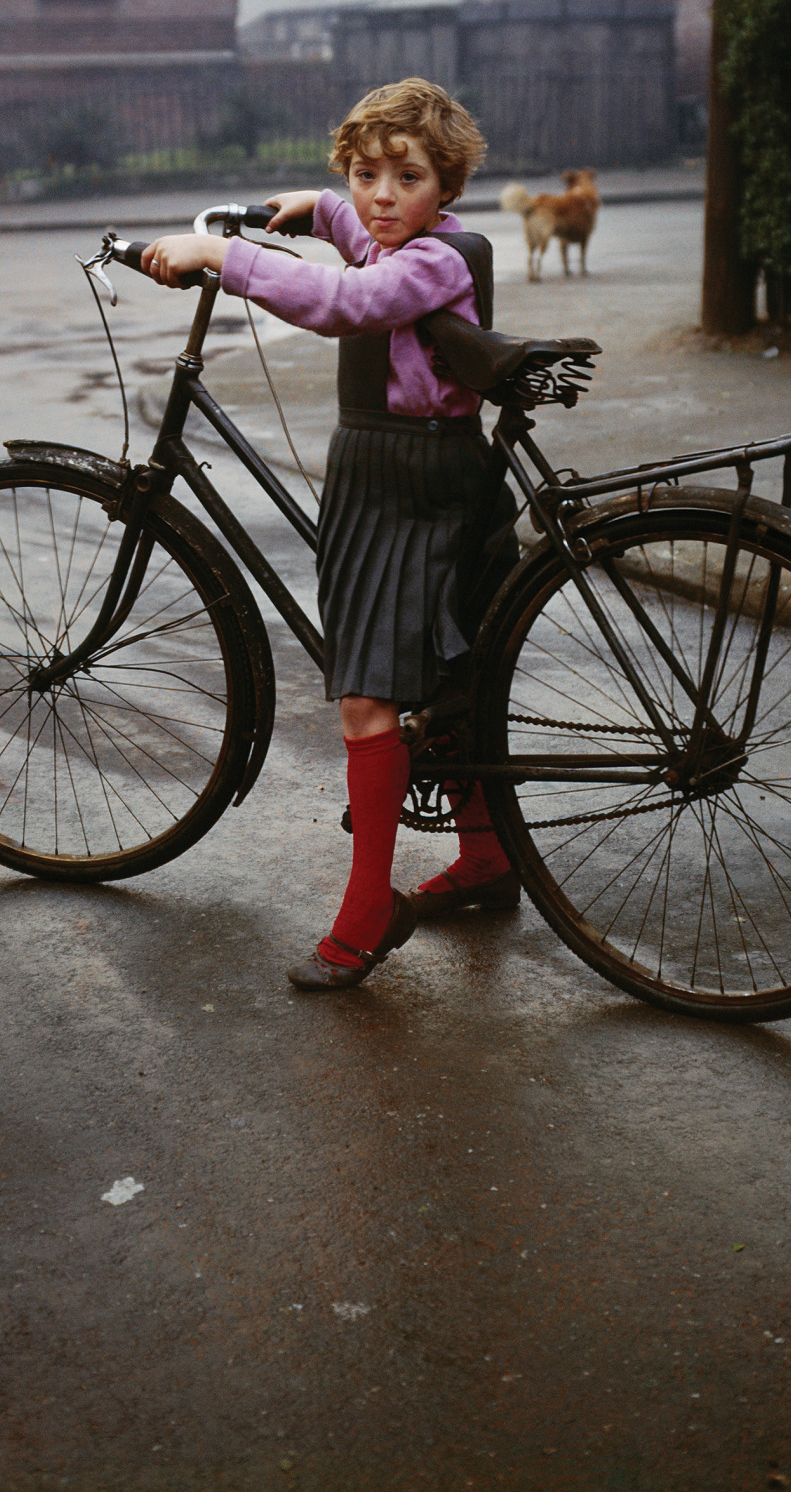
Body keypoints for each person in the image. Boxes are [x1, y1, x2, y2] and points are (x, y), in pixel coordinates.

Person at [140, 77, 518, 990]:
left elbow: (345, 302)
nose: (382, 195)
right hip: (393, 474)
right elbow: (354, 228)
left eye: (408, 177)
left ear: (448, 189)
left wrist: (218, 257)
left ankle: (366, 912)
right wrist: (309, 208)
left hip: (411, 486)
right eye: (365, 173)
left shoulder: (437, 261)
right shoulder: (392, 229)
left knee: (367, 695)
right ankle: (485, 856)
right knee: (452, 678)